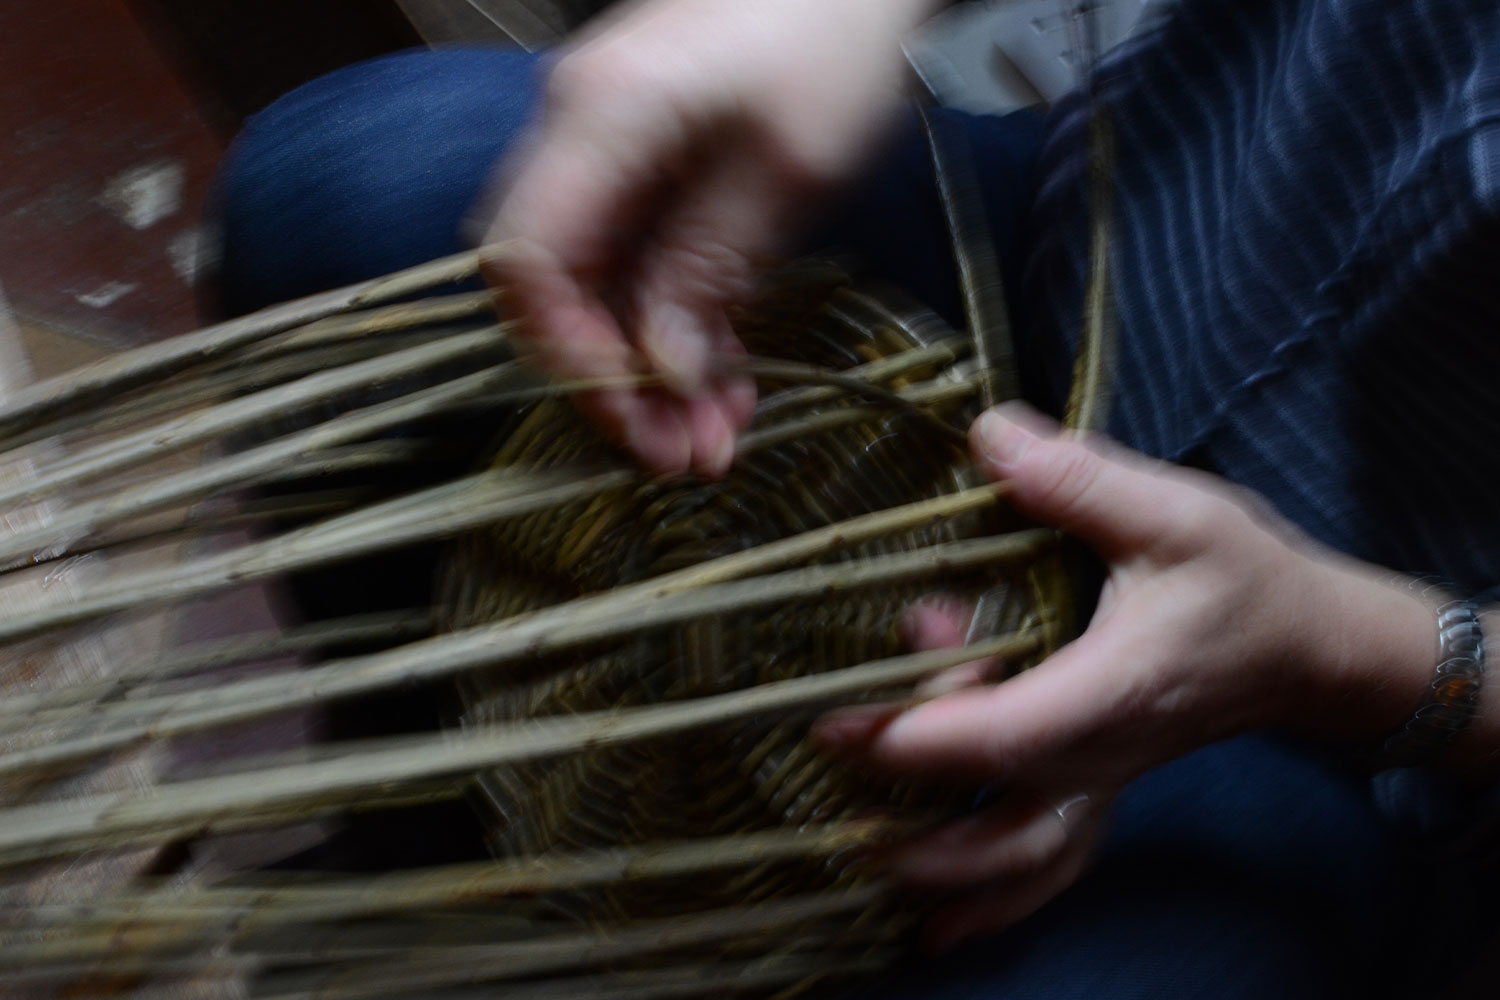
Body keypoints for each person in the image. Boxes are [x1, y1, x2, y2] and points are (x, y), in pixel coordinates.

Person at [213, 0, 1500, 995]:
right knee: (351, 183)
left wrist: (1346, 653)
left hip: (1378, 714)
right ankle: (461, 853)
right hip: (1109, 239)